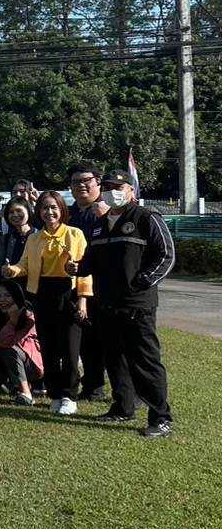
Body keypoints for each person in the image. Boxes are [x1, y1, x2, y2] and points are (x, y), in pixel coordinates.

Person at [69, 170, 175, 438]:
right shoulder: (99, 224)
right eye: (107, 187)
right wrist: (78, 268)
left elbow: (166, 255)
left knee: (145, 361)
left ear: (131, 190)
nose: (112, 192)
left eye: (118, 187)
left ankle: (160, 417)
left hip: (137, 304)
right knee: (114, 358)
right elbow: (92, 260)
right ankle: (123, 407)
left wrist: (143, 280)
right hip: (106, 303)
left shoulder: (146, 217)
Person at [1, 191, 91, 417]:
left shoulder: (75, 234)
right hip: (42, 294)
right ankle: (55, 394)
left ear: (62, 210)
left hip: (68, 293)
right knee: (48, 348)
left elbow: (85, 271)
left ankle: (69, 395)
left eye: (53, 207)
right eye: (44, 208)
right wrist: (12, 270)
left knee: (69, 348)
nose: (49, 212)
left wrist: (82, 301)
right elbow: (24, 265)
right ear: (38, 212)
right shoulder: (34, 238)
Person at [67, 162, 110, 402]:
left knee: (112, 341)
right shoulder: (67, 214)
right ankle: (93, 387)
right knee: (86, 339)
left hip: (105, 285)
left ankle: (129, 392)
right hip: (75, 285)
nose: (82, 186)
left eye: (87, 181)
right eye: (76, 182)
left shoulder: (109, 211)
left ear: (98, 182)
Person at [0, 280, 43, 406]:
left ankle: (26, 394)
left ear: (17, 296)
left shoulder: (28, 317)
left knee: (10, 350)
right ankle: (12, 386)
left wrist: (13, 320)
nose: (2, 300)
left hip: (32, 364)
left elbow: (7, 344)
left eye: (7, 295)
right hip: (6, 361)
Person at [0, 196, 35, 270]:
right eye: (11, 212)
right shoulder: (5, 239)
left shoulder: (39, 236)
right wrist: (4, 269)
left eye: (19, 211)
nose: (15, 215)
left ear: (28, 211)